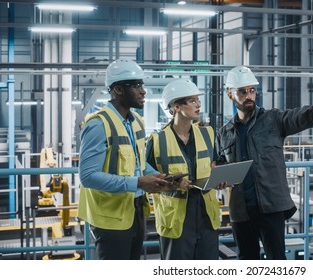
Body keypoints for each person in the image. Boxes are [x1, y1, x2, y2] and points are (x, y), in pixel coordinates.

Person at [215, 65, 313, 260]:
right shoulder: (224, 133)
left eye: (252, 90)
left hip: (270, 207)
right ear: (230, 95)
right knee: (246, 259)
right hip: (241, 211)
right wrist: (219, 176)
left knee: (276, 259)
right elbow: (217, 164)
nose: (249, 96)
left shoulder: (273, 120)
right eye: (242, 92)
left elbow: (296, 118)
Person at [78, 59, 182, 260]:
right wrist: (138, 182)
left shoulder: (137, 122)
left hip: (135, 211)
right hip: (109, 219)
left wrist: (159, 178)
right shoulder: (98, 125)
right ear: (117, 89)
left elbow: (138, 164)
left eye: (141, 85)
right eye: (136, 85)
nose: (143, 91)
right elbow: (88, 176)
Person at [146, 79, 222, 260]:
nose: (198, 105)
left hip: (206, 216)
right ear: (177, 107)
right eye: (192, 101)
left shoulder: (208, 133)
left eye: (198, 100)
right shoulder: (157, 140)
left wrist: (219, 176)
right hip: (176, 219)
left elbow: (216, 163)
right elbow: (146, 174)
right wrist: (174, 183)